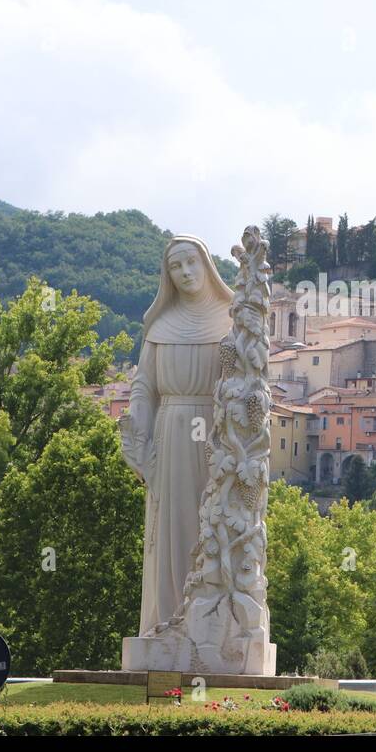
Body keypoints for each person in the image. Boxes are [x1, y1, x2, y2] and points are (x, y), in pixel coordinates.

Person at [120, 236, 232, 633]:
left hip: (216, 438)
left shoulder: (232, 320)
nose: (185, 272)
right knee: (169, 529)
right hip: (169, 433)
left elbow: (247, 382)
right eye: (175, 267)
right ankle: (167, 621)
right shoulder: (160, 325)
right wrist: (138, 425)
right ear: (167, 275)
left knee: (213, 524)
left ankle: (211, 624)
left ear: (207, 264)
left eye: (191, 263)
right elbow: (144, 385)